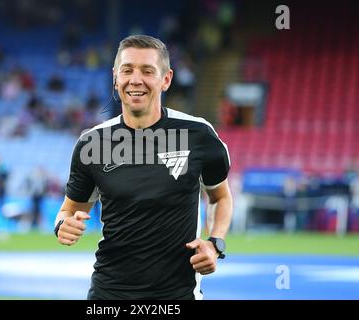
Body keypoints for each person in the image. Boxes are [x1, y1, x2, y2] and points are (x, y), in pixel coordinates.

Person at [54, 35, 233, 300]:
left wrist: (215, 242)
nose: (135, 80)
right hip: (108, 294)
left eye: (147, 71)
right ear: (115, 77)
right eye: (127, 70)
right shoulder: (91, 143)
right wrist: (62, 225)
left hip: (177, 296)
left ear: (166, 79)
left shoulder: (198, 134)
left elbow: (220, 197)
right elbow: (68, 211)